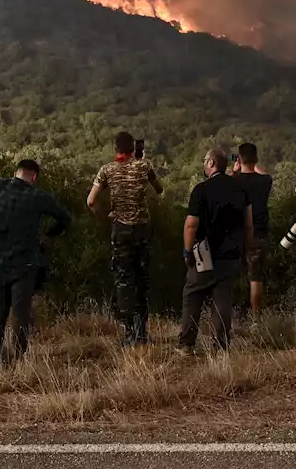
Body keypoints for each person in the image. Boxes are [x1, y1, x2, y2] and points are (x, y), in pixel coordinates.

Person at [0, 159, 72, 364]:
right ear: (34, 177)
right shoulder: (37, 197)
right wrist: (48, 236)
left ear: (16, 172)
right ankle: (18, 362)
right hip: (23, 264)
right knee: (20, 314)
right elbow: (65, 217)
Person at [87, 131, 164, 346]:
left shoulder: (107, 170)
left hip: (120, 229)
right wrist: (142, 164)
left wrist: (106, 216)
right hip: (141, 229)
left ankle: (129, 333)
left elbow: (90, 201)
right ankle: (142, 332)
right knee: (142, 279)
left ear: (115, 149)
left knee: (123, 281)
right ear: (133, 149)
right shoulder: (144, 166)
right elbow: (159, 190)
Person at [179, 147, 252, 353]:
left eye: (205, 160)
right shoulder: (240, 190)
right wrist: (246, 249)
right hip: (231, 252)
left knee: (193, 294)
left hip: (205, 250)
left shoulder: (201, 190)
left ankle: (186, 344)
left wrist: (186, 251)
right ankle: (220, 346)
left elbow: (191, 224)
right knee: (222, 298)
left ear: (211, 163)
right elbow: (249, 224)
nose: (204, 163)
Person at [231, 142, 272, 316]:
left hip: (236, 233)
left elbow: (222, 181)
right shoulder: (265, 181)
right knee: (256, 277)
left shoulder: (233, 182)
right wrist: (253, 165)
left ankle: (233, 313)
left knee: (233, 275)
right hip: (259, 232)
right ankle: (256, 316)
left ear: (239, 159)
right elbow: (265, 174)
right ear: (255, 159)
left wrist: (235, 169)